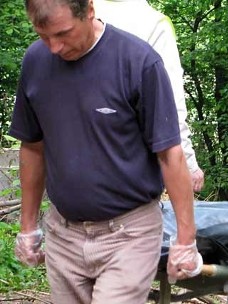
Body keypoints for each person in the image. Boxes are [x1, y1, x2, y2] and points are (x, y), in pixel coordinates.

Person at [11, 0, 202, 302]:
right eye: (44, 36)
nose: (55, 48)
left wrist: (185, 239)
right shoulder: (36, 62)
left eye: (63, 34)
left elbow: (170, 153)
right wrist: (28, 227)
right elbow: (32, 147)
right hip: (64, 233)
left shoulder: (137, 61)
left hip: (129, 234)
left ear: (89, 10)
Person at [93, 0, 205, 192]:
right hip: (127, 169)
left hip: (71, 169)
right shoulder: (153, 23)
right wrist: (188, 164)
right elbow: (170, 104)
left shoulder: (72, 9)